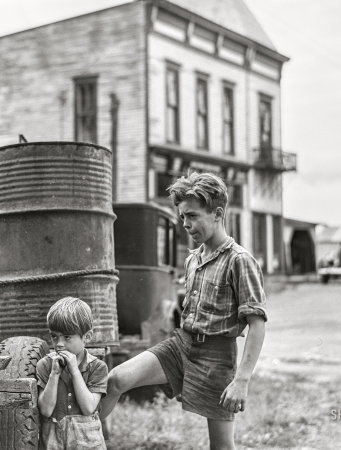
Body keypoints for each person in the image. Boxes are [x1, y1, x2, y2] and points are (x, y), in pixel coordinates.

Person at [100, 172, 267, 450]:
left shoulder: (240, 261)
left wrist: (242, 380)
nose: (186, 225)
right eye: (182, 218)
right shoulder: (193, 259)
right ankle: (83, 441)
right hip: (181, 346)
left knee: (221, 447)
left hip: (217, 358)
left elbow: (257, 325)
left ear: (217, 213)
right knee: (115, 379)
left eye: (192, 216)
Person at [36, 297, 109, 450]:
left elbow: (88, 408)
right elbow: (46, 410)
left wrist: (75, 371)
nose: (59, 344)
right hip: (52, 440)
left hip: (87, 440)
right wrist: (54, 374)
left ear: (87, 337)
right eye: (54, 336)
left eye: (67, 337)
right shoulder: (46, 365)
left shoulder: (97, 367)